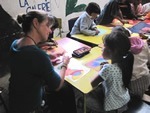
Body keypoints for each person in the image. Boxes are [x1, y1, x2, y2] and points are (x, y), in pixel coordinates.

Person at [9, 10, 77, 113]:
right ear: (36, 23)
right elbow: (57, 85)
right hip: (30, 107)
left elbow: (29, 60)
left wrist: (46, 54)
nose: (50, 31)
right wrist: (64, 63)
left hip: (15, 100)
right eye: (47, 26)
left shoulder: (14, 44)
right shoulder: (39, 55)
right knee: (64, 88)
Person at [88, 31, 134, 112]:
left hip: (113, 108)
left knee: (81, 96)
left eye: (104, 46)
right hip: (124, 101)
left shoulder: (108, 69)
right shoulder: (125, 62)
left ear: (113, 51)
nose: (102, 48)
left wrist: (101, 70)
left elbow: (92, 83)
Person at [112, 26, 150, 98]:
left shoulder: (123, 52)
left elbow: (118, 73)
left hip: (135, 83)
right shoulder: (142, 43)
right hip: (146, 76)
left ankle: (137, 101)